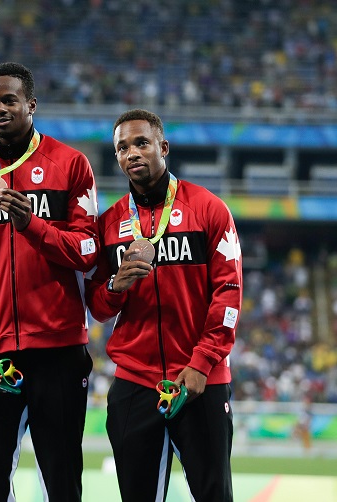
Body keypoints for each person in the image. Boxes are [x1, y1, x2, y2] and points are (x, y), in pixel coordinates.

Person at [0, 62, 100, 501]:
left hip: (59, 351)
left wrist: (33, 225)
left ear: (31, 104)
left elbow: (87, 251)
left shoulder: (71, 165)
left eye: (9, 99)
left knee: (63, 479)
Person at [84, 108, 242, 502]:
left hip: (200, 382)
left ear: (163, 147)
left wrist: (203, 361)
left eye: (141, 143)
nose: (132, 153)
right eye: (122, 147)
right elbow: (98, 307)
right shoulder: (108, 223)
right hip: (135, 385)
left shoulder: (209, 209)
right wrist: (115, 287)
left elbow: (229, 292)